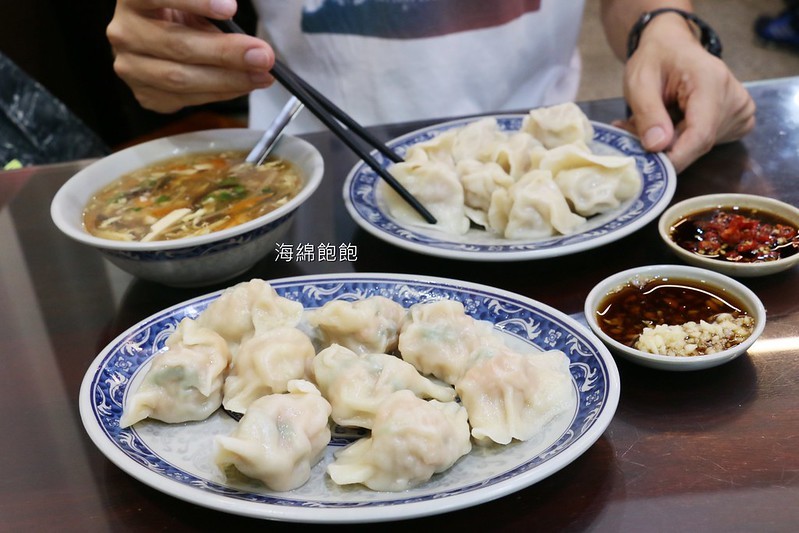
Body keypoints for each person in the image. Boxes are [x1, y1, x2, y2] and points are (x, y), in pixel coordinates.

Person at [106, 0, 755, 173]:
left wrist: (662, 25)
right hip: (317, 198)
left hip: (545, 171)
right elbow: (165, 21)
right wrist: (168, 44)